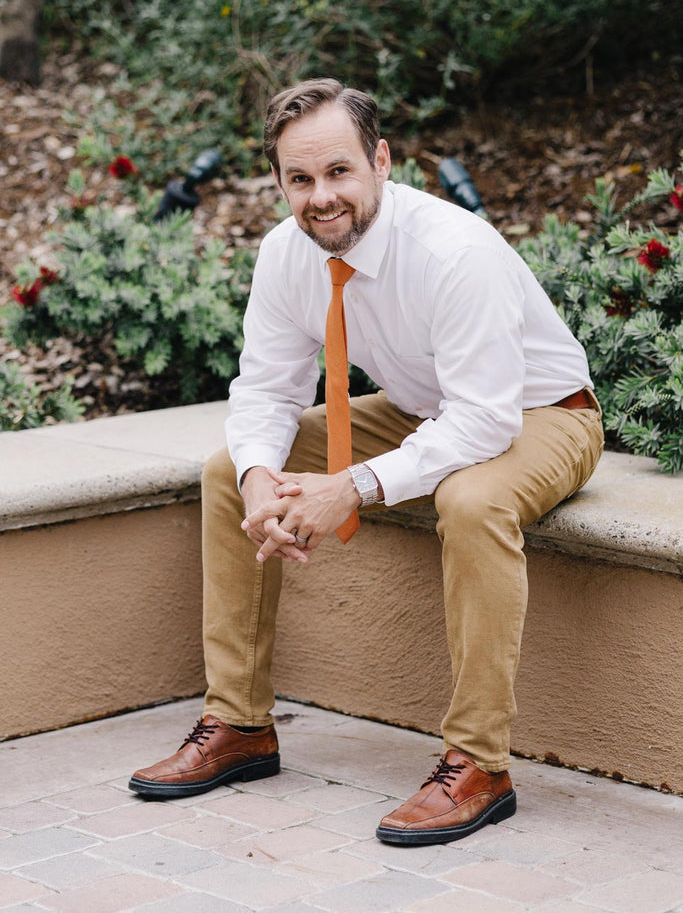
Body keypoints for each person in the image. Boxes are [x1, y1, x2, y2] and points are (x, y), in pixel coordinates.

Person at [128, 77, 604, 846]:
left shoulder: (453, 252)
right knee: (227, 469)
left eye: (339, 171)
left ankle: (478, 764)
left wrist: (349, 486)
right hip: (423, 409)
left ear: (380, 161)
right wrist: (260, 483)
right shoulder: (286, 252)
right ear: (279, 180)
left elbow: (484, 417)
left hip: (539, 413)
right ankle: (241, 724)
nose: (321, 197)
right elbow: (266, 390)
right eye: (300, 178)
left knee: (472, 502)